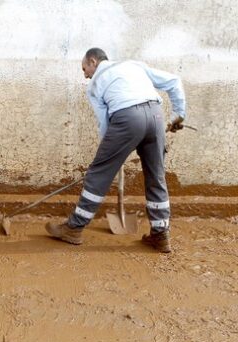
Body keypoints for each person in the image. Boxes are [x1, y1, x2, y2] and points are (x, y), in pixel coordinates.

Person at [46, 47, 186, 253]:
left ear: (93, 61)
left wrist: (110, 155)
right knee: (156, 176)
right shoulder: (133, 65)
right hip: (156, 117)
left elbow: (105, 123)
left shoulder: (95, 84)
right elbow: (174, 81)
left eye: (84, 69)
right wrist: (178, 115)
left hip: (127, 118)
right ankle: (161, 234)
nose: (85, 75)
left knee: (98, 174)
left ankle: (73, 228)